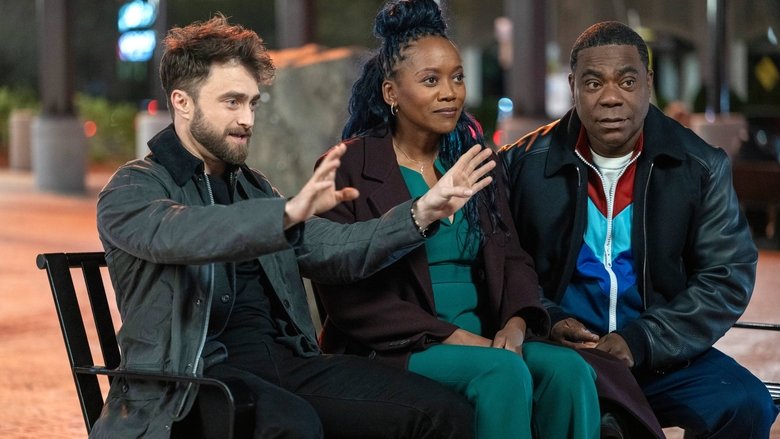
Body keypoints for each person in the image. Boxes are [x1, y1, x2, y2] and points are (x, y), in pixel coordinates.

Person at [93, 14, 498, 439]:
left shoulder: (252, 188)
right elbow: (182, 233)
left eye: (253, 103)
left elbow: (332, 247)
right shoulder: (133, 188)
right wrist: (284, 214)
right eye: (232, 102)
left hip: (287, 366)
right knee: (294, 424)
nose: (247, 119)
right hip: (191, 385)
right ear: (182, 102)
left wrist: (420, 212)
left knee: (442, 412)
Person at [312, 1, 600, 438]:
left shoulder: (475, 160)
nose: (450, 92)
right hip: (399, 347)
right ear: (391, 92)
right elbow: (345, 298)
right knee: (502, 372)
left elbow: (512, 256)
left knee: (568, 371)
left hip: (486, 335)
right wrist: (456, 338)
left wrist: (516, 323)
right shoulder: (347, 167)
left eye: (458, 77)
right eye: (431, 80)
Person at [500, 20, 779, 438]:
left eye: (627, 81)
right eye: (593, 83)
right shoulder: (522, 165)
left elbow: (727, 275)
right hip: (566, 354)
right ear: (573, 86)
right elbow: (502, 262)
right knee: (595, 420)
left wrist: (642, 339)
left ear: (648, 83)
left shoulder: (699, 165)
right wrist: (549, 318)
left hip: (661, 355)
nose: (612, 97)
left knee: (746, 403)